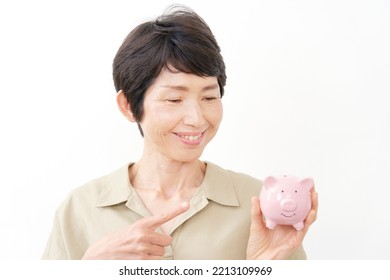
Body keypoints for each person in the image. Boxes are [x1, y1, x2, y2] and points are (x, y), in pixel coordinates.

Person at [42, 5, 318, 260]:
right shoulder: (80, 208)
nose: (196, 119)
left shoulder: (260, 203)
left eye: (209, 98)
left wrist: (262, 270)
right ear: (128, 106)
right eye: (174, 100)